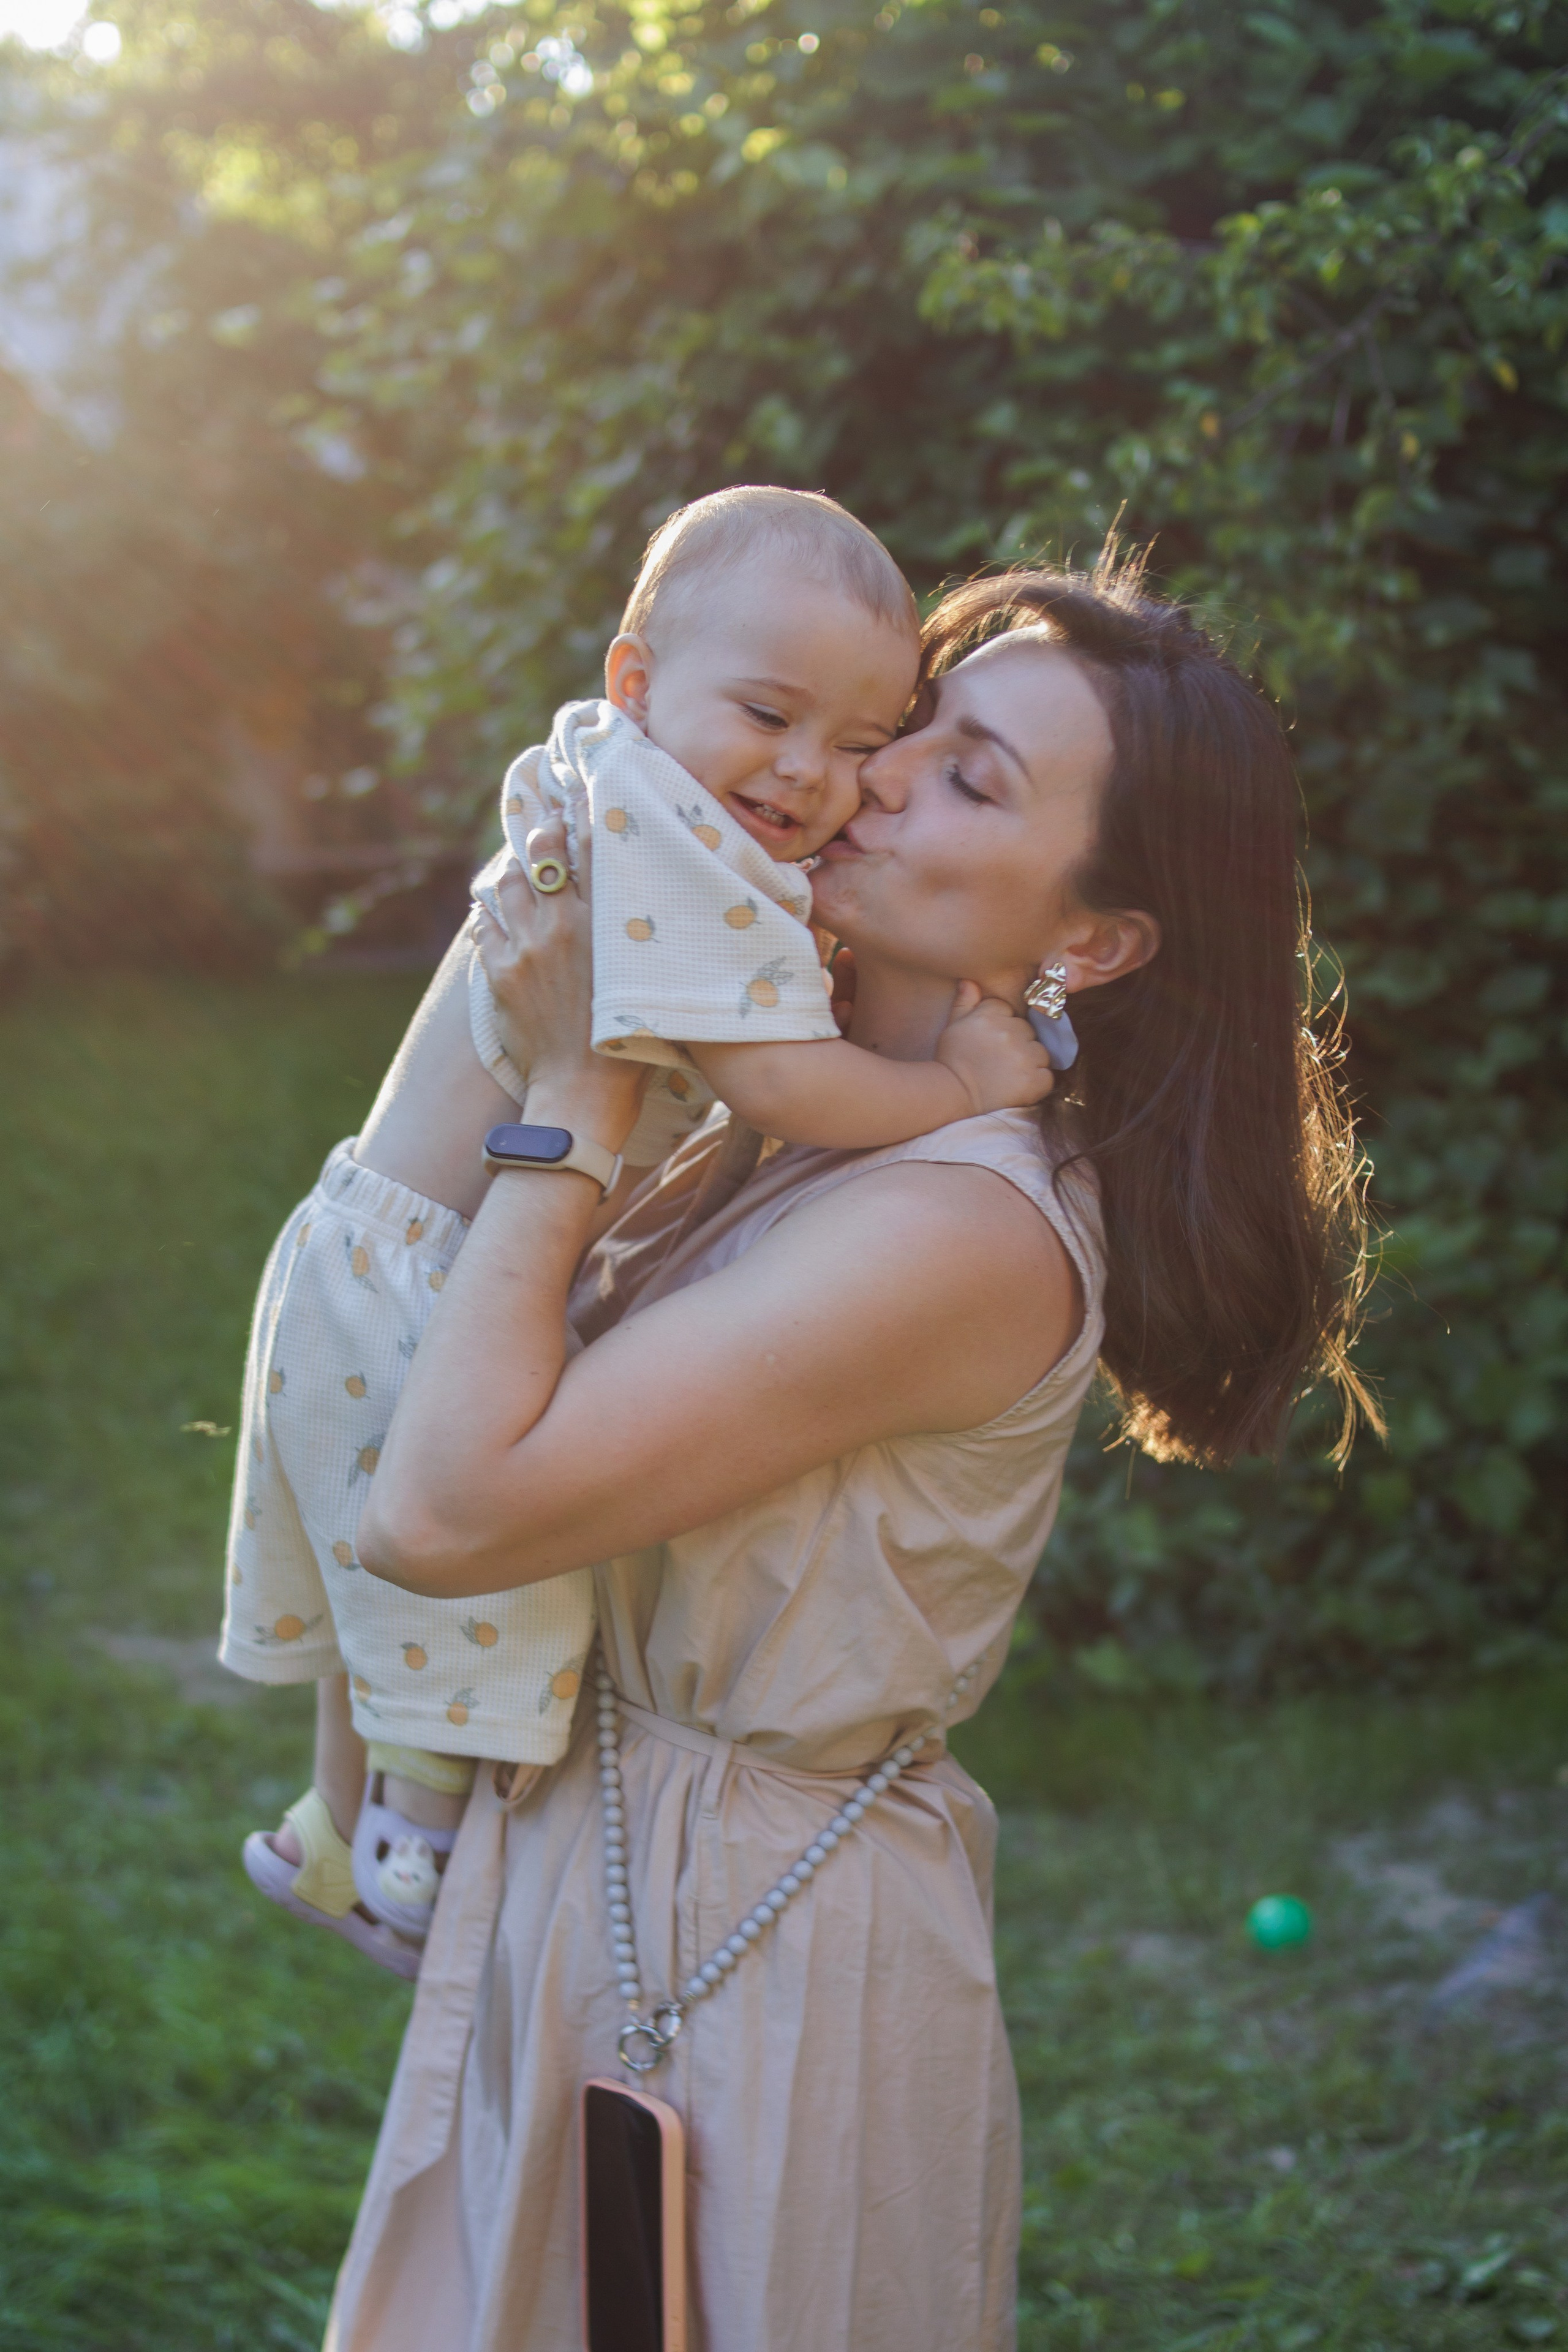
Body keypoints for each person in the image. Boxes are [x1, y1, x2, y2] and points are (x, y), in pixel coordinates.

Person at [324, 557, 1376, 2351]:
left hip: (765, 1963)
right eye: (912, 734)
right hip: (598, 1872)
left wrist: (577, 1086)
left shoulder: (967, 1228)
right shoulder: (787, 1113)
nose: (873, 780)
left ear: (1090, 941)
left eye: (972, 781)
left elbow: (444, 1508)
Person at [219, 486, 1054, 1978]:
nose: (812, 776)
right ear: (635, 679)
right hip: (431, 1264)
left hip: (369, 1234)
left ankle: (326, 1825)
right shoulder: (668, 842)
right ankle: (415, 1854)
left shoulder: (616, 777)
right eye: (771, 715)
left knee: (368, 1559)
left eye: (858, 745)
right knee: (471, 1582)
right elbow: (774, 1080)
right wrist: (947, 1084)